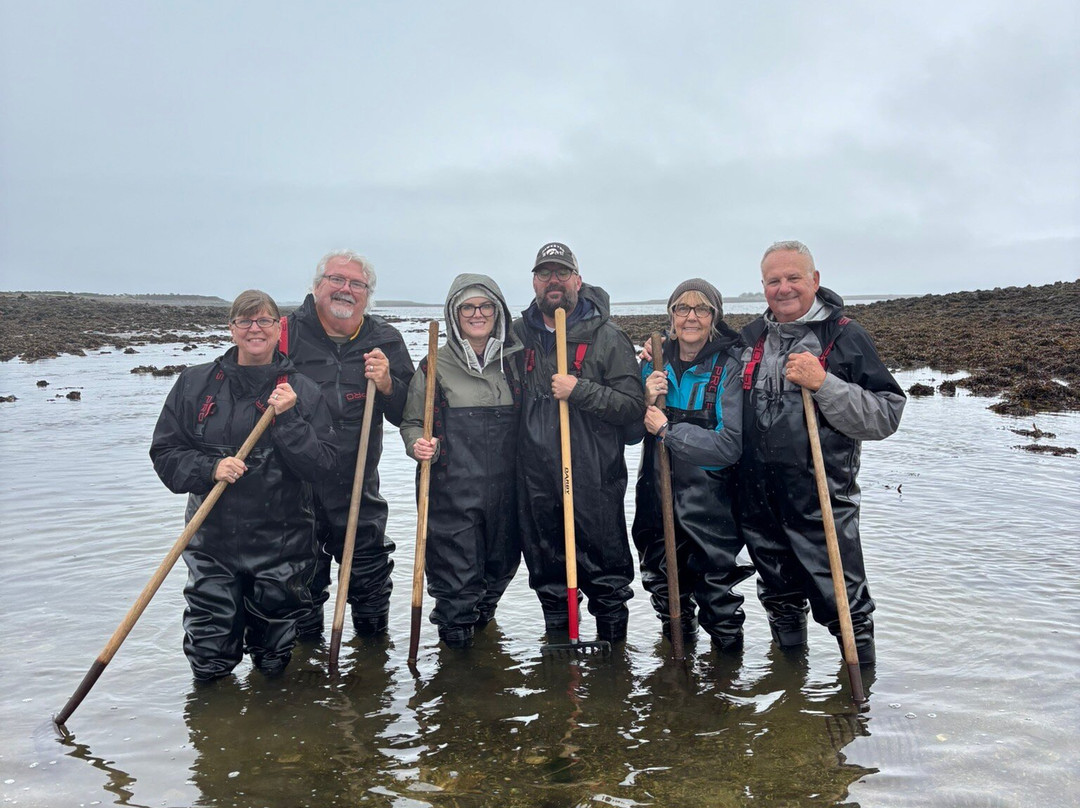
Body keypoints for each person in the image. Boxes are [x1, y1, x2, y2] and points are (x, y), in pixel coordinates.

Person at [150, 290, 336, 680]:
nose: (255, 329)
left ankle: (270, 728)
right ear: (231, 329)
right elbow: (166, 453)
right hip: (212, 544)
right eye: (245, 321)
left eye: (264, 320)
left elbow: (321, 466)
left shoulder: (303, 391)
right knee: (208, 653)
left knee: (273, 659)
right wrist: (210, 467)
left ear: (278, 328)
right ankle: (214, 727)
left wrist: (289, 420)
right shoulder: (194, 383)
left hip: (282, 545)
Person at [738, 241, 905, 664]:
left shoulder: (845, 336)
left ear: (815, 280)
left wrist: (824, 383)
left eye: (794, 277)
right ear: (763, 287)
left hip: (823, 498)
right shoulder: (750, 338)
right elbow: (703, 363)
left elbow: (886, 414)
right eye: (774, 280)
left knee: (843, 603)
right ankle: (790, 693)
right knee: (778, 596)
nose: (784, 288)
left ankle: (860, 693)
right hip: (759, 498)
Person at [512, 242, 645, 642]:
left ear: (578, 279)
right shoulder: (518, 335)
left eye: (561, 273)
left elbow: (632, 408)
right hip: (536, 478)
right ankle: (559, 649)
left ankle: (612, 665)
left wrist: (581, 390)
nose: (553, 281)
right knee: (549, 573)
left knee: (606, 576)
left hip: (594, 477)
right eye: (544, 274)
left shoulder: (608, 337)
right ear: (534, 282)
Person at [283, 250, 415, 638]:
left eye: (357, 284)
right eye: (337, 280)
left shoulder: (384, 339)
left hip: (357, 482)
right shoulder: (286, 333)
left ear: (367, 295)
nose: (346, 289)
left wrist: (389, 383)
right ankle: (307, 673)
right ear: (317, 285)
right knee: (300, 584)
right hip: (296, 487)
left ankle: (372, 673)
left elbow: (409, 410)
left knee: (370, 578)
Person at [400, 274, 523, 648]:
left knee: (499, 572)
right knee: (455, 586)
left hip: (508, 493)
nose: (477, 314)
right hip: (451, 492)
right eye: (467, 307)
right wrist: (418, 445)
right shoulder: (434, 364)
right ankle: (455, 673)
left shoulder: (516, 364)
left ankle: (483, 654)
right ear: (454, 314)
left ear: (498, 311)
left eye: (485, 306)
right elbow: (412, 423)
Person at [633, 279, 753, 652]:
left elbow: (729, 445)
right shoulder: (653, 361)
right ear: (670, 315)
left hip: (710, 502)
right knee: (664, 587)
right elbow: (626, 426)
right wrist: (644, 397)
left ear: (714, 317)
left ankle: (725, 683)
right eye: (682, 308)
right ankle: (677, 671)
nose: (691, 317)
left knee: (717, 596)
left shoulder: (729, 366)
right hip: (657, 494)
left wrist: (668, 430)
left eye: (701, 309)